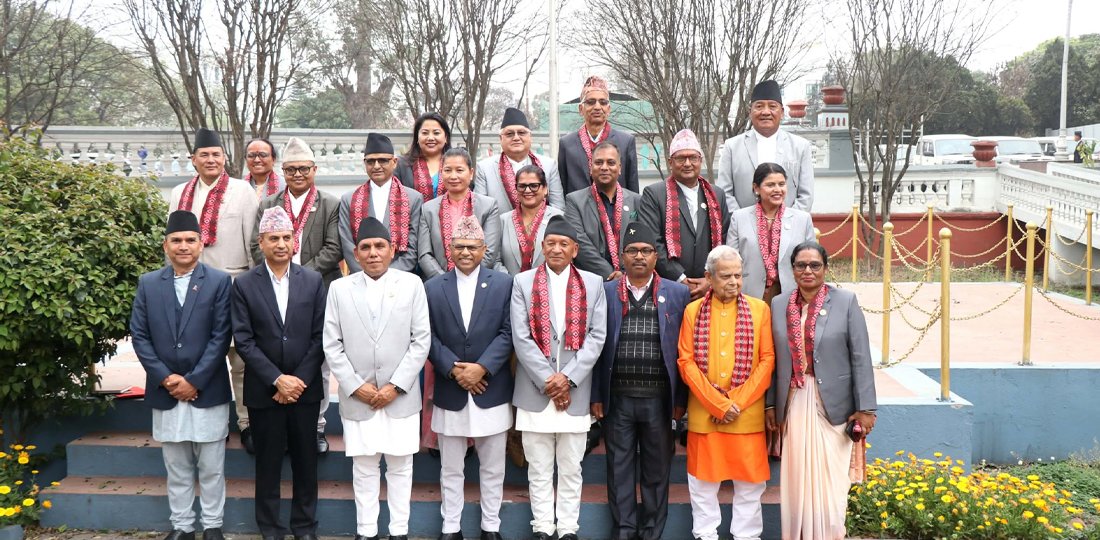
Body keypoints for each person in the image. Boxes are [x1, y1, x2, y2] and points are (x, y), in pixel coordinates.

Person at [324, 217, 430, 540]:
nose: (373, 253)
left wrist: (396, 386)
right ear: (355, 253)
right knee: (365, 468)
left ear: (392, 249)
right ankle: (366, 532)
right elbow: (331, 343)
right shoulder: (339, 288)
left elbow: (421, 339)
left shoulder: (412, 285)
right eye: (366, 247)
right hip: (360, 398)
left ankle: (399, 532)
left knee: (401, 468)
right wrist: (358, 387)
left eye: (379, 246)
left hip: (400, 397)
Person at [130, 211, 234, 540]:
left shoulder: (219, 281)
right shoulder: (148, 283)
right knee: (176, 466)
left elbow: (222, 336)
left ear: (201, 244)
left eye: (190, 240)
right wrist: (166, 378)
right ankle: (182, 526)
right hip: (166, 391)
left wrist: (194, 380)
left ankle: (213, 526)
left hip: (208, 389)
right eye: (176, 240)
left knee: (212, 466)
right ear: (166, 245)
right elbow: (140, 335)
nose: (183, 246)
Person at [767, 242, 877, 540]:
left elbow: (861, 356)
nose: (807, 271)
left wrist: (866, 407)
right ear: (792, 270)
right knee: (797, 480)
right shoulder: (779, 304)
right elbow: (773, 360)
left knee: (831, 482)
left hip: (835, 407)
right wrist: (769, 406)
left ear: (825, 269)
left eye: (815, 265)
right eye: (801, 265)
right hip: (793, 403)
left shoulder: (845, 301)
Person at [231, 207, 327, 540]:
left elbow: (320, 337)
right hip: (264, 390)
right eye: (274, 238)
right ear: (262, 242)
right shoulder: (244, 284)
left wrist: (296, 380)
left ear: (295, 240)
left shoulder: (313, 281)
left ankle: (304, 527)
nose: (281, 244)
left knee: (305, 463)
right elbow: (243, 339)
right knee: (268, 464)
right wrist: (277, 379)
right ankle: (271, 529)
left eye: (287, 237)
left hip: (305, 389)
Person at [590, 222, 690, 540]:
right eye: (632, 251)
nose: (639, 257)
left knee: (656, 469)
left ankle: (650, 531)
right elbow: (595, 349)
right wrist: (596, 396)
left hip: (659, 399)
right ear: (621, 256)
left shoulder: (677, 293)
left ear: (655, 255)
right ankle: (624, 529)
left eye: (646, 251)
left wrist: (680, 402)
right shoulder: (605, 293)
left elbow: (684, 350)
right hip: (618, 397)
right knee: (618, 468)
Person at [511, 215, 607, 540]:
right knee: (538, 469)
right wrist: (549, 381)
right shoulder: (522, 282)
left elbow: (597, 337)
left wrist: (567, 378)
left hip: (574, 395)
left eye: (563, 243)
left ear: (575, 249)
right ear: (542, 246)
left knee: (571, 467)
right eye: (550, 243)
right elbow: (521, 338)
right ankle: (542, 527)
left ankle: (567, 529)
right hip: (534, 393)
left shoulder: (593, 284)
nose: (556, 248)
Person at [168, 127, 259, 454]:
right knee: (201, 357)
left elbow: (253, 242)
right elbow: (171, 243)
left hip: (234, 284)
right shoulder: (180, 193)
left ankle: (247, 423)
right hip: (191, 287)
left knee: (240, 358)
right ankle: (210, 424)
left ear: (225, 159)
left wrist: (253, 287)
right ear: (193, 160)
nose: (210, 159)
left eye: (216, 154)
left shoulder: (243, 191)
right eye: (204, 155)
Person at [425, 216, 514, 540]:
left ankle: (491, 526)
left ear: (484, 249)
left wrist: (482, 368)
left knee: (493, 466)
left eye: (471, 247)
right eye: (459, 246)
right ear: (450, 249)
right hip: (452, 389)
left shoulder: (504, 284)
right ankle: (451, 527)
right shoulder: (433, 287)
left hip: (491, 387)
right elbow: (427, 336)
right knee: (451, 466)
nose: (465, 252)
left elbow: (508, 332)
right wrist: (455, 369)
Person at [677, 246, 774, 540]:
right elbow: (686, 361)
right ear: (709, 277)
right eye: (726, 276)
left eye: (738, 275)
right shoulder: (693, 311)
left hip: (746, 416)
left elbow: (767, 360)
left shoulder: (760, 310)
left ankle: (747, 536)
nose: (733, 282)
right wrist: (718, 405)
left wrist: (735, 404)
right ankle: (705, 535)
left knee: (749, 486)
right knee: (702, 485)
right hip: (705, 416)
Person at [639, 129, 730, 301]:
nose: (687, 163)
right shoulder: (654, 194)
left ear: (700, 161)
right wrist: (680, 278)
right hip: (668, 286)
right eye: (681, 158)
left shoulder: (716, 194)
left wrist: (709, 279)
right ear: (670, 162)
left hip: (710, 287)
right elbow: (653, 242)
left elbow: (725, 240)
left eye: (693, 158)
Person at [716, 79, 814, 212]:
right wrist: (743, 223)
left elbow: (806, 196)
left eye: (772, 106)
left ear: (782, 112)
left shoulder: (800, 147)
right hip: (743, 229)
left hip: (789, 228)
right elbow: (724, 193)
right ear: (750, 111)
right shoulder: (732, 147)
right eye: (759, 106)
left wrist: (786, 224)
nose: (766, 112)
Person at [726, 162, 815, 305]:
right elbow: (731, 260)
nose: (777, 189)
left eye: (781, 184)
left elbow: (812, 260)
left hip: (791, 295)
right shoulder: (739, 217)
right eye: (770, 185)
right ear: (756, 188)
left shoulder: (802, 219)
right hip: (749, 295)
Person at [340, 133, 424, 274]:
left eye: (383, 160)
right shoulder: (349, 199)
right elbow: (348, 245)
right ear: (365, 163)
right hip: (361, 279)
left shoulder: (413, 198)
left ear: (394, 162)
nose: (376, 166)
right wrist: (367, 275)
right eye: (371, 161)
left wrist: (387, 277)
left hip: (400, 279)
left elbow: (413, 248)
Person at [419, 148, 502, 279]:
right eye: (447, 170)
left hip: (478, 282)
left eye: (459, 170)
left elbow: (489, 252)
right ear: (441, 173)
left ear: (471, 173)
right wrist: (445, 281)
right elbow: (425, 255)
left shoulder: (488, 206)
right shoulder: (428, 209)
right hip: (440, 284)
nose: (453, 176)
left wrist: (468, 279)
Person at [564, 141, 642, 281]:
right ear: (591, 167)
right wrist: (611, 275)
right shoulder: (574, 201)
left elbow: (641, 241)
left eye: (611, 163)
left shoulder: (637, 201)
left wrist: (625, 274)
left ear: (619, 168)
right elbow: (579, 243)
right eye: (598, 162)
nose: (604, 167)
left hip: (631, 280)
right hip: (589, 281)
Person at [557, 76, 639, 194]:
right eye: (590, 102)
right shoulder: (567, 144)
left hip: (616, 209)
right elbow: (563, 187)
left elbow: (633, 189)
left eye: (603, 102)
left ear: (608, 109)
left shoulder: (626, 141)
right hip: (579, 211)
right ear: (581, 109)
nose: (597, 107)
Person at [475, 107, 565, 210]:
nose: (516, 138)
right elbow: (481, 210)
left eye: (522, 133)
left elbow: (558, 208)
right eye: (509, 134)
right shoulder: (484, 168)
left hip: (544, 225)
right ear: (501, 139)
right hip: (500, 226)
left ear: (530, 137)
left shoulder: (548, 165)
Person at [495, 164, 563, 275]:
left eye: (534, 186)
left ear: (545, 189)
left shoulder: (559, 218)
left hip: (547, 287)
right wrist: (511, 282)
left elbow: (565, 259)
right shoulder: (503, 220)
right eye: (522, 186)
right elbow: (495, 260)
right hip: (509, 286)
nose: (527, 190)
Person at [396, 112, 452, 201]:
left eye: (436, 133)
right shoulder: (402, 164)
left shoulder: (456, 163)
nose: (430, 138)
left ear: (446, 138)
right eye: (425, 133)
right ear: (417, 137)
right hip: (412, 214)